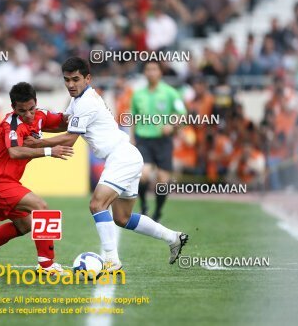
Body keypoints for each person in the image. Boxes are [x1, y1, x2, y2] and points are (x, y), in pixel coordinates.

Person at [24, 57, 188, 271]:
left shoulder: (87, 102)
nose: (71, 85)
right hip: (125, 156)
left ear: (88, 78)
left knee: (97, 204)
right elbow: (65, 123)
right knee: (122, 217)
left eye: (76, 79)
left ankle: (111, 259)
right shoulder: (80, 100)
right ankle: (172, 237)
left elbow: (69, 138)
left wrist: (37, 142)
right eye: (67, 80)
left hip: (121, 157)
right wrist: (38, 125)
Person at [0, 82, 73, 275]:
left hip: (5, 181)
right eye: (22, 111)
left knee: (25, 225)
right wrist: (49, 151)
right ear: (13, 108)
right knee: (41, 208)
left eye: (31, 109)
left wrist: (87, 113)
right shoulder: (11, 124)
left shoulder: (40, 115)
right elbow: (14, 151)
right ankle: (46, 265)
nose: (29, 115)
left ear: (36, 103)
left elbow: (65, 121)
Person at [132, 60, 187, 222]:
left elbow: (182, 115)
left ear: (160, 72)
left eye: (154, 69)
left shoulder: (170, 93)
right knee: (143, 175)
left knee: (163, 181)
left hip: (163, 141)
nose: (151, 72)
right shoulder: (137, 95)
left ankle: (158, 212)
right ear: (144, 73)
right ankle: (143, 205)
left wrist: (172, 125)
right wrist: (132, 138)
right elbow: (133, 118)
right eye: (148, 69)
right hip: (144, 140)